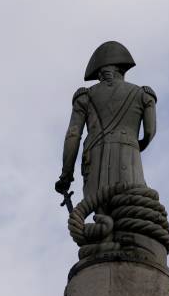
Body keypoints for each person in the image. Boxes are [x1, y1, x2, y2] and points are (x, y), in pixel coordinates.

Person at [55, 41, 158, 199]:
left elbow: (73, 136)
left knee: (100, 212)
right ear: (120, 68)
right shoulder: (143, 94)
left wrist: (66, 176)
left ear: (100, 72)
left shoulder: (85, 96)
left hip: (95, 161)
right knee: (131, 208)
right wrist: (140, 144)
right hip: (129, 157)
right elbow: (150, 131)